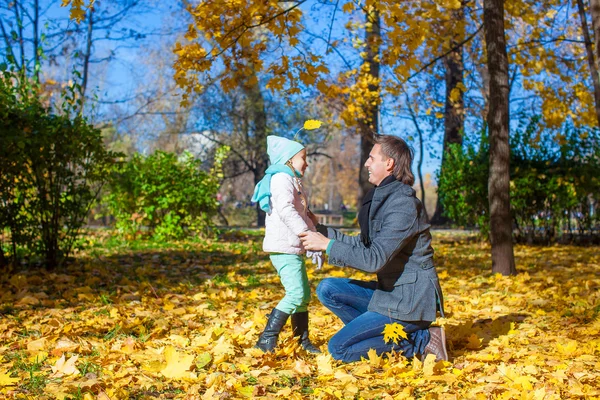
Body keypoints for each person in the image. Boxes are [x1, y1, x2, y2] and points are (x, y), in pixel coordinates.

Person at [299, 134, 447, 363]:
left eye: (371, 158)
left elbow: (373, 259)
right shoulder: (384, 198)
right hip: (389, 294)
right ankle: (383, 334)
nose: (366, 163)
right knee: (328, 288)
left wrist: (327, 246)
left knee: (339, 348)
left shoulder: (403, 204)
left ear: (389, 163)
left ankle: (420, 341)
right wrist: (320, 230)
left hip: (409, 302)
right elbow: (364, 244)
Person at [251, 135, 322, 354]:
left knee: (303, 296)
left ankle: (301, 340)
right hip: (283, 247)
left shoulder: (292, 179)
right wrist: (305, 234)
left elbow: (303, 213)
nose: (307, 163)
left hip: (292, 247)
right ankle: (266, 338)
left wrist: (313, 235)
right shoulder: (281, 178)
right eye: (303, 158)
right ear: (289, 159)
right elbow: (287, 210)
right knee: (296, 294)